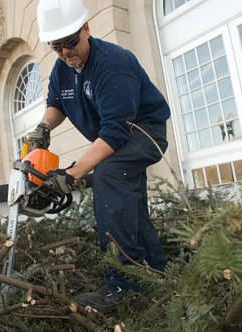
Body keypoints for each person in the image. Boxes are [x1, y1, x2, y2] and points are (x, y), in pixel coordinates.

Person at [29, 0, 171, 314]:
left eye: (70, 42)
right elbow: (58, 102)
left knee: (108, 176)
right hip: (117, 135)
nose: (65, 52)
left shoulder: (113, 64)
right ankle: (157, 270)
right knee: (129, 199)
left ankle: (123, 284)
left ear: (87, 29)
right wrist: (43, 127)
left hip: (144, 132)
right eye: (57, 46)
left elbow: (117, 133)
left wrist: (72, 173)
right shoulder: (63, 69)